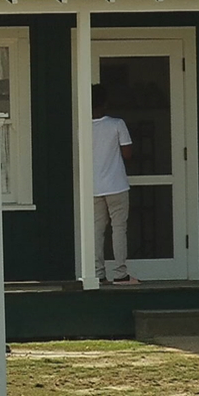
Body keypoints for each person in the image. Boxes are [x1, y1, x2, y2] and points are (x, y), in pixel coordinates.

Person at [91, 84, 138, 285]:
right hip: (116, 185)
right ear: (106, 103)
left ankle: (97, 274)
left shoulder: (82, 127)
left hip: (93, 187)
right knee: (119, 228)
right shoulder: (117, 124)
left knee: (96, 230)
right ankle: (120, 274)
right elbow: (128, 154)